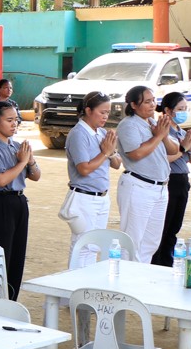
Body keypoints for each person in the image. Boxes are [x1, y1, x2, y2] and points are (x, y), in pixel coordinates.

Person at [0, 101, 40, 299]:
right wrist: (22, 162)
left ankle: (10, 299)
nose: (15, 124)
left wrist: (30, 161)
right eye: (9, 120)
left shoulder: (16, 146)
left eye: (16, 120)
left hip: (18, 202)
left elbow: (36, 175)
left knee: (16, 255)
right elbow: (1, 179)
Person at [115, 85, 174, 266]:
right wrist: (158, 137)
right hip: (139, 186)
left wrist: (163, 135)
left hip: (160, 187)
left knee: (151, 241)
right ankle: (124, 284)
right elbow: (135, 154)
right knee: (132, 240)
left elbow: (174, 149)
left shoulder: (153, 123)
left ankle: (140, 279)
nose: (152, 105)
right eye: (147, 101)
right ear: (133, 105)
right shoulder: (128, 125)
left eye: (153, 100)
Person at [61, 92, 120, 267]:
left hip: (101, 197)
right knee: (82, 245)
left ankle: (86, 286)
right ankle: (73, 290)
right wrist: (105, 152)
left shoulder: (101, 133)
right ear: (88, 110)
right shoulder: (79, 133)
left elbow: (116, 164)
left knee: (94, 246)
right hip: (84, 197)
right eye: (102, 112)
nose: (105, 116)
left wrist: (112, 151)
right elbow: (84, 168)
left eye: (107, 112)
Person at [153, 93, 191, 267]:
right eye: (180, 109)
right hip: (169, 180)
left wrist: (189, 148)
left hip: (182, 180)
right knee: (163, 227)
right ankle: (157, 263)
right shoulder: (163, 131)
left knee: (174, 227)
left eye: (185, 109)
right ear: (168, 110)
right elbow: (163, 158)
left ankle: (167, 262)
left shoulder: (182, 132)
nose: (183, 112)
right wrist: (183, 149)